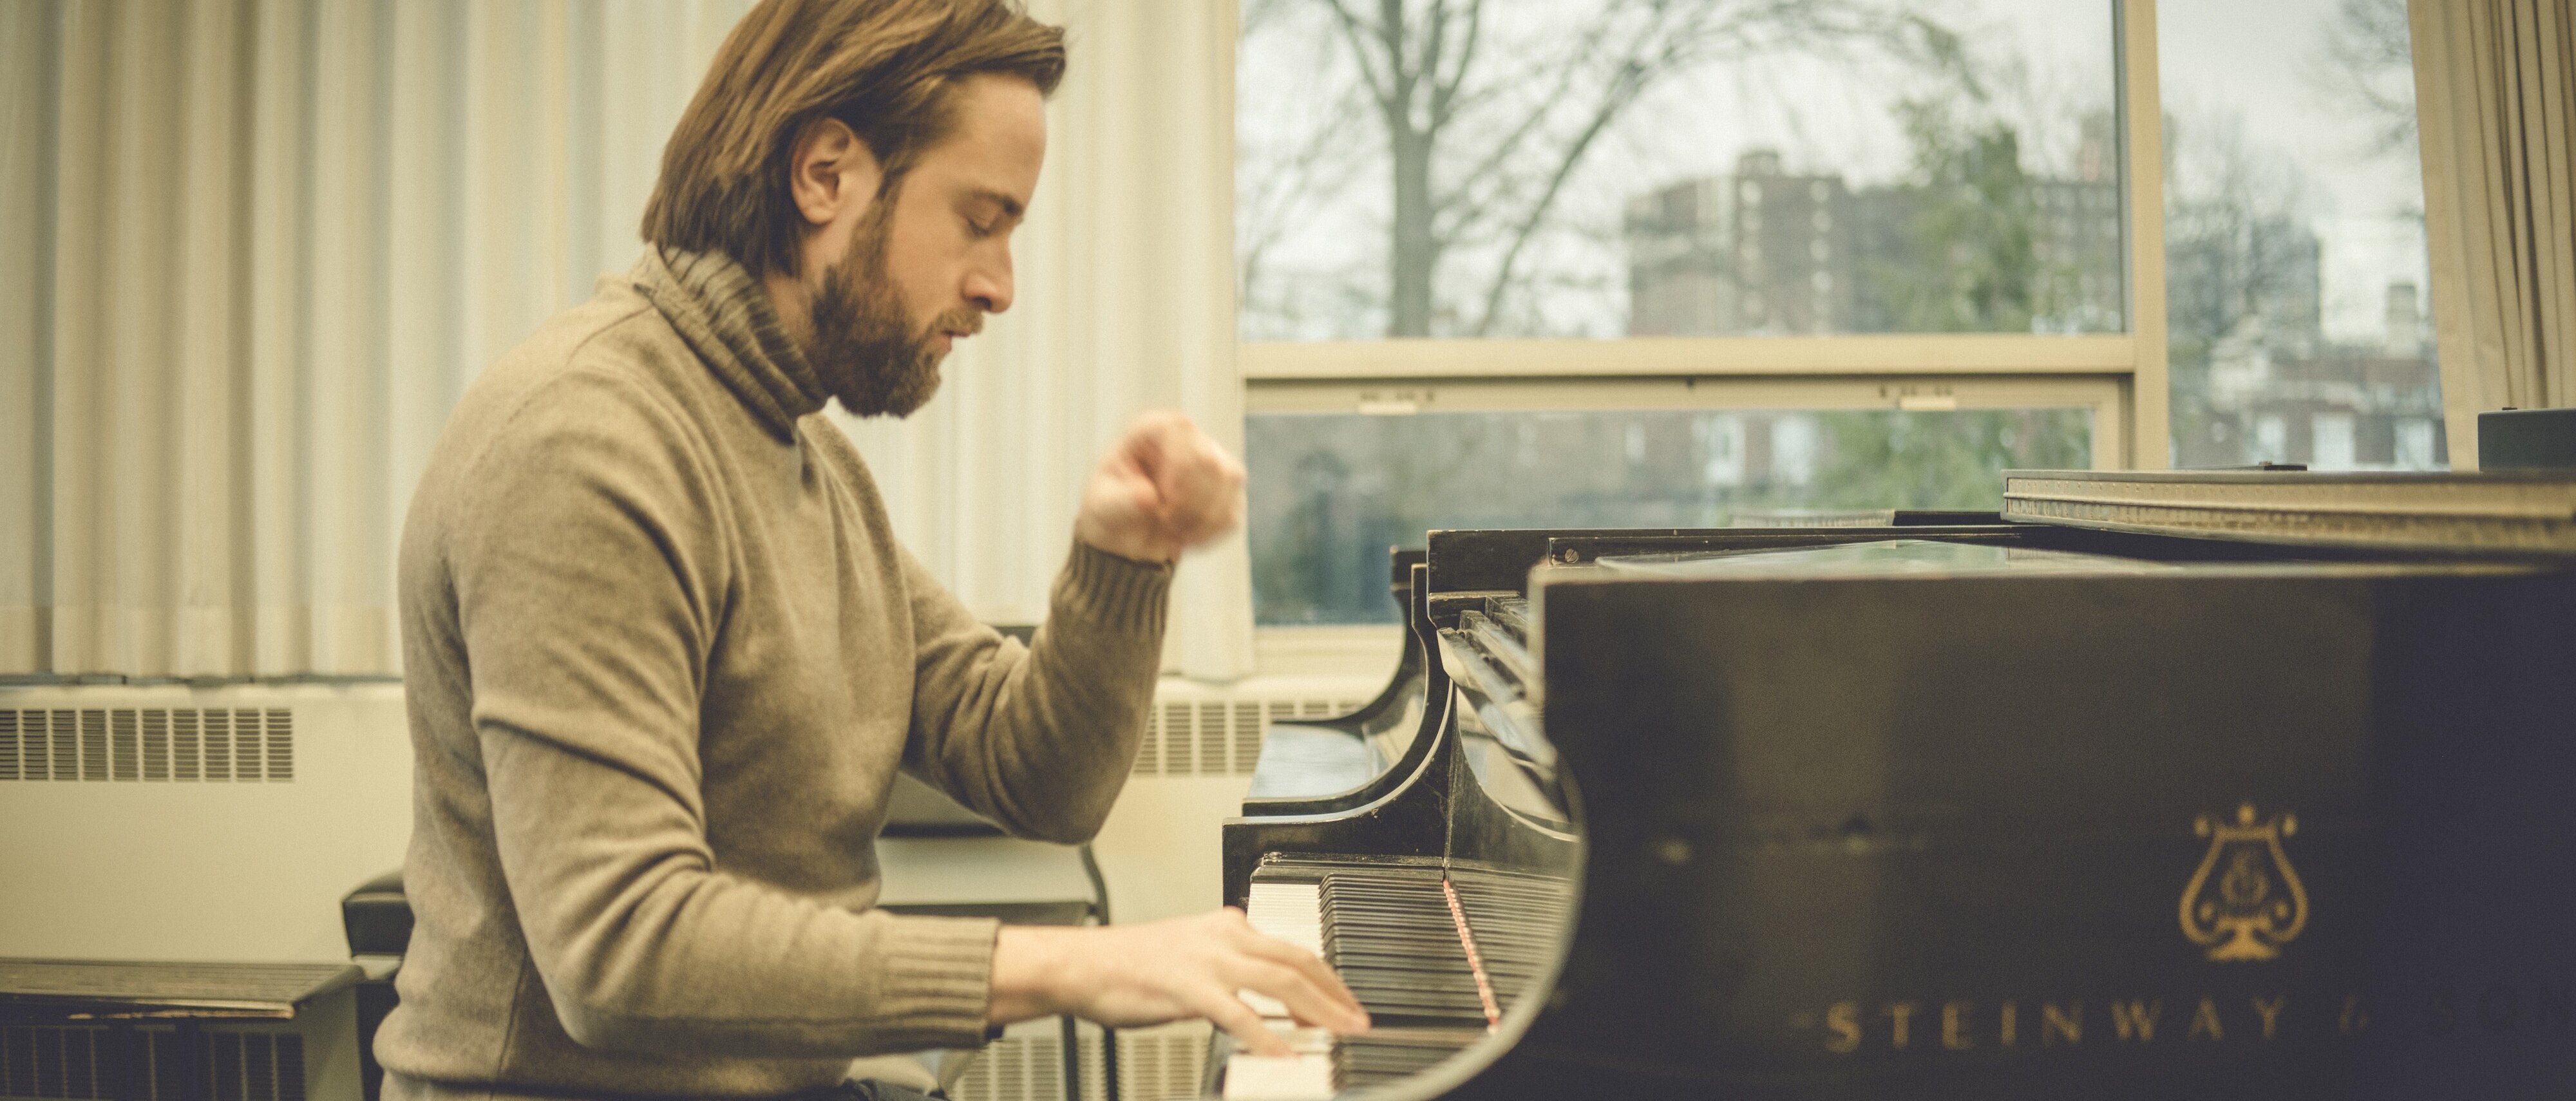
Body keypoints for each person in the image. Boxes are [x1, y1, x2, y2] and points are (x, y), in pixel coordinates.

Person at [378, 2, 1367, 1098]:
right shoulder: (587, 443)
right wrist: (1066, 963)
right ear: (825, 176)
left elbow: (1042, 777)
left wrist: (1119, 558)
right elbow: (620, 949)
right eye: (980, 220)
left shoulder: (801, 456)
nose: (999, 286)